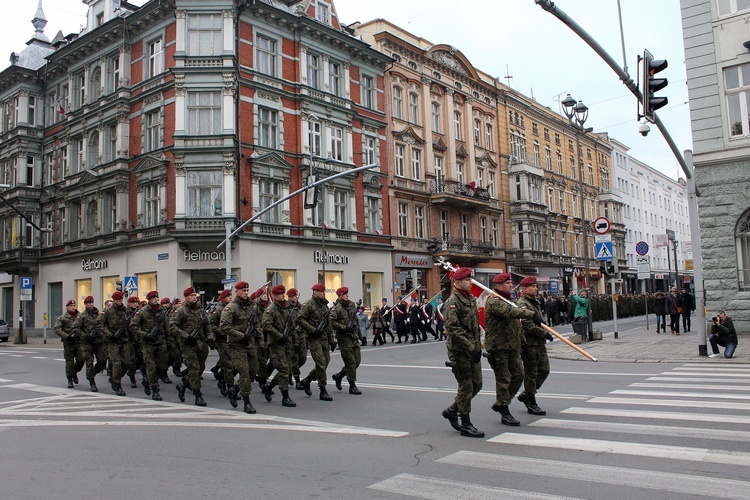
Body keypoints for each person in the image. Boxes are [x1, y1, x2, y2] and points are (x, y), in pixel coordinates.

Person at [484, 273, 542, 426]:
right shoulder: (494, 301)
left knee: (519, 375)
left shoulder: (510, 300)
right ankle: (504, 411)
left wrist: (523, 344)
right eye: (507, 283)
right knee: (503, 380)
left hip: (513, 346)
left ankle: (501, 402)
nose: (511, 285)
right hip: (499, 347)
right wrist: (531, 314)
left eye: (511, 282)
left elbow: (517, 325)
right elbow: (509, 313)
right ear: (498, 285)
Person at [441, 267, 484, 438]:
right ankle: (466, 423)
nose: (470, 282)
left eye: (470, 279)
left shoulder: (471, 299)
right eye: (467, 280)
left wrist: (478, 346)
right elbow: (453, 329)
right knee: (466, 387)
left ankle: (452, 410)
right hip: (460, 351)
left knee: (477, 384)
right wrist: (470, 347)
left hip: (472, 349)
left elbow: (474, 326)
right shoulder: (452, 302)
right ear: (457, 283)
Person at [220, 281, 261, 414]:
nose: (246, 293)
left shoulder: (251, 306)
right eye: (243, 291)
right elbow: (224, 326)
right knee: (244, 372)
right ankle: (247, 402)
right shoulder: (231, 308)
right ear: (236, 291)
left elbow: (256, 324)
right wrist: (241, 335)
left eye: (247, 290)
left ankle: (234, 390)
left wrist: (261, 342)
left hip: (249, 344)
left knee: (253, 371)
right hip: (236, 344)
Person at [170, 287, 213, 407]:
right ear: (186, 297)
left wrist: (210, 337)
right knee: (194, 369)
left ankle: (183, 385)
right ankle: (197, 395)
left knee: (200, 368)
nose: (195, 297)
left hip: (201, 343)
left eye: (195, 295)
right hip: (188, 344)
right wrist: (185, 336)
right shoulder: (181, 311)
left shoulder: (201, 310)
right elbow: (172, 326)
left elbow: (207, 325)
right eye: (192, 295)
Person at [517, 277, 551, 416]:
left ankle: (527, 394)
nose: (536, 289)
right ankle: (531, 401)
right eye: (532, 286)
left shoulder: (534, 303)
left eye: (536, 286)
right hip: (529, 344)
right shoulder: (523, 304)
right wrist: (544, 333)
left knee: (544, 370)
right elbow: (527, 325)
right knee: (531, 374)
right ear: (524, 289)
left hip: (539, 344)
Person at [296, 283, 335, 401]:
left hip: (323, 338)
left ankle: (307, 380)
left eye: (324, 291)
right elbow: (299, 319)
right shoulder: (309, 304)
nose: (324, 293)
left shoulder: (324, 305)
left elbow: (328, 324)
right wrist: (313, 330)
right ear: (315, 292)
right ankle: (322, 390)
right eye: (321, 291)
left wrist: (332, 340)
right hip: (313, 338)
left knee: (326, 362)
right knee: (321, 364)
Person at [130, 291, 170, 401]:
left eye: (157, 297)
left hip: (160, 342)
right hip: (148, 344)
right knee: (151, 367)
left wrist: (169, 342)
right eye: (154, 298)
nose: (157, 299)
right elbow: (133, 326)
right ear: (149, 299)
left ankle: (148, 380)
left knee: (162, 366)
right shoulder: (143, 312)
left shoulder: (162, 311)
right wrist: (145, 335)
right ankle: (155, 390)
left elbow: (166, 327)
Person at [261, 284, 296, 407]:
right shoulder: (271, 310)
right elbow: (266, 326)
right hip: (276, 344)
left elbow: (292, 326)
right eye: (280, 294)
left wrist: (295, 342)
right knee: (284, 370)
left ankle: (269, 386)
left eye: (283, 293)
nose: (283, 295)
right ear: (274, 296)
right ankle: (285, 397)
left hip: (287, 343)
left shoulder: (286, 308)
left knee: (287, 369)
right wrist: (279, 335)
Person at [99, 291, 133, 396]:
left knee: (127, 362)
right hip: (112, 341)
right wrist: (109, 334)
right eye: (118, 299)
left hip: (124, 340)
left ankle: (115, 377)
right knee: (117, 363)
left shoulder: (126, 310)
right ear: (114, 300)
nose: (120, 301)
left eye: (121, 299)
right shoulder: (108, 311)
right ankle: (117, 384)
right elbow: (100, 324)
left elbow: (130, 323)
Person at [331, 287, 363, 395]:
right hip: (344, 338)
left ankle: (339, 376)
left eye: (347, 294)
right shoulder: (337, 308)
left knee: (357, 362)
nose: (347, 296)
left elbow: (356, 320)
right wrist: (344, 328)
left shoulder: (352, 305)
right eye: (344, 294)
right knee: (350, 362)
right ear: (339, 296)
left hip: (353, 337)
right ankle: (352, 385)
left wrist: (360, 335)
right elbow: (332, 322)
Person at [73, 296, 106, 393]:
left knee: (102, 360)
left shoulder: (99, 314)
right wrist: (85, 335)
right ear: (85, 304)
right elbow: (75, 328)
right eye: (88, 303)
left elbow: (104, 325)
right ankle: (92, 382)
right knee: (89, 362)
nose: (91, 304)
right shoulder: (82, 316)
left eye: (92, 303)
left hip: (98, 341)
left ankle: (93, 373)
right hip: (87, 343)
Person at [54, 299, 85, 388]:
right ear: (67, 307)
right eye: (71, 306)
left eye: (74, 305)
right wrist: (67, 336)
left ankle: (75, 372)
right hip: (68, 343)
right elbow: (57, 329)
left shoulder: (80, 316)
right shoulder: (62, 318)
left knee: (81, 359)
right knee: (69, 362)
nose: (73, 307)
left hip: (79, 342)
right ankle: (70, 379)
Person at [210, 289, 234, 396]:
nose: (231, 298)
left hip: (231, 339)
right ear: (223, 298)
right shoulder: (218, 309)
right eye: (228, 296)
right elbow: (211, 324)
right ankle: (228, 385)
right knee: (228, 363)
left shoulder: (232, 307)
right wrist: (221, 331)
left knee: (231, 363)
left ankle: (222, 377)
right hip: (221, 340)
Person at [286, 288, 307, 390]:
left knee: (302, 358)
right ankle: (297, 380)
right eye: (293, 296)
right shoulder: (286, 307)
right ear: (289, 297)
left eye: (296, 295)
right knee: (294, 358)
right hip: (292, 337)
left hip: (301, 336)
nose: (295, 297)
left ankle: (291, 372)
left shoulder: (301, 307)